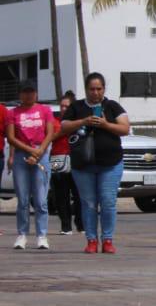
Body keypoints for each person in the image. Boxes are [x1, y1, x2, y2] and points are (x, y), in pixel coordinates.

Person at [59, 73, 130, 254]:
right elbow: (64, 126)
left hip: (110, 164)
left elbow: (124, 128)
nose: (96, 92)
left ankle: (107, 240)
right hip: (83, 165)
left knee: (108, 202)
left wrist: (106, 124)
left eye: (99, 89)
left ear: (104, 89)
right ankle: (91, 240)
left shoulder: (112, 106)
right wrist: (83, 121)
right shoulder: (76, 107)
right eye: (92, 89)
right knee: (88, 203)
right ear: (86, 89)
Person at [6, 82, 56, 250]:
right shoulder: (13, 113)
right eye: (25, 92)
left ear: (36, 93)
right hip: (21, 155)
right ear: (20, 94)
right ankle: (22, 234)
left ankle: (42, 235)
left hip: (41, 154)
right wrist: (29, 151)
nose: (29, 95)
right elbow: (11, 137)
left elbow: (50, 132)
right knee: (23, 199)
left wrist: (39, 151)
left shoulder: (45, 110)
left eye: (31, 92)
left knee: (41, 199)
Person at [49, 92, 81, 236]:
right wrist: (64, 129)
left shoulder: (79, 122)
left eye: (66, 106)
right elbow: (50, 137)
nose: (63, 109)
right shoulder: (54, 121)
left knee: (79, 194)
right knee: (60, 194)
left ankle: (81, 223)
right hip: (58, 158)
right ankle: (66, 225)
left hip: (75, 159)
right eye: (61, 106)